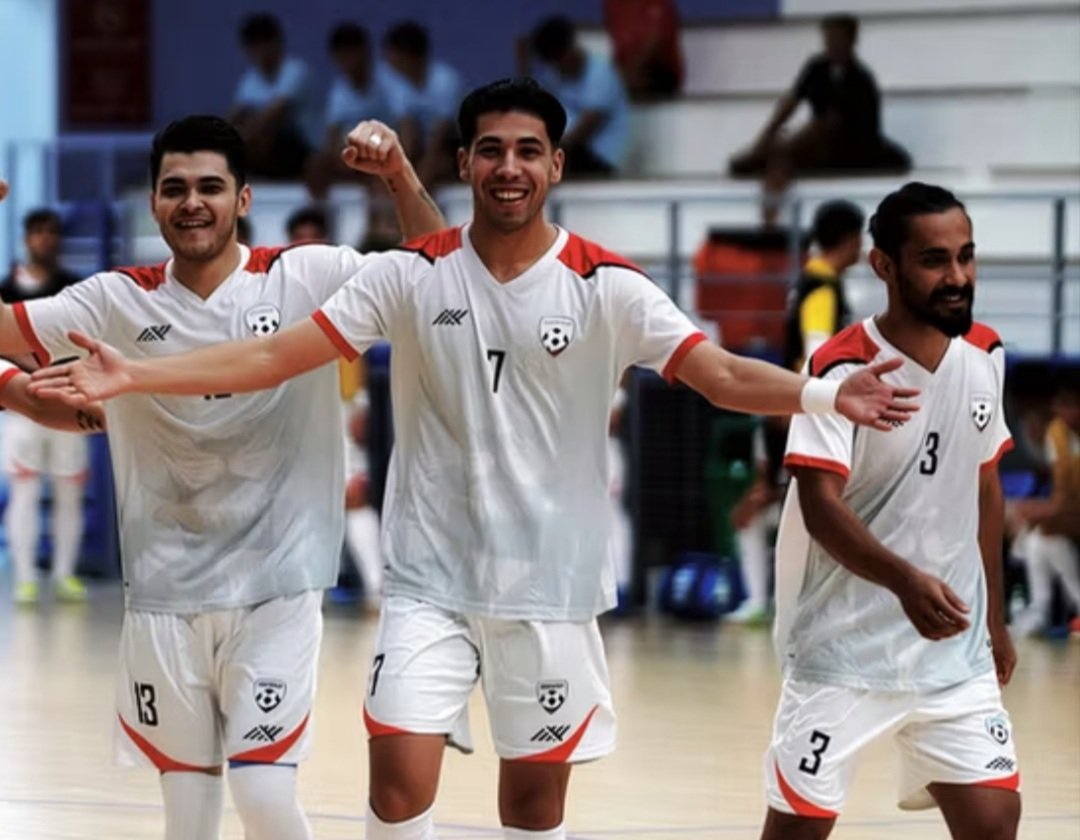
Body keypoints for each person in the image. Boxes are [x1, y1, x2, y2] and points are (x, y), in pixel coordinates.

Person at [31, 78, 917, 840]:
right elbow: (270, 355)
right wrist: (134, 374)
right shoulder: (410, 274)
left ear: (556, 166)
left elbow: (718, 374)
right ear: (464, 163)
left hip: (550, 592)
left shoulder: (606, 283)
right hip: (428, 587)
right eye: (490, 150)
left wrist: (823, 394)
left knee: (530, 807)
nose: (508, 167)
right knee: (396, 786)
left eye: (528, 151)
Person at [0, 116, 442, 840]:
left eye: (210, 187)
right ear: (153, 203)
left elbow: (432, 272)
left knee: (263, 790)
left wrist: (397, 175)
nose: (192, 202)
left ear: (243, 199)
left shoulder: (305, 275)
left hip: (278, 584)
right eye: (174, 189)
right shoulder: (115, 299)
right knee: (187, 816)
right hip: (164, 591)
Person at [763, 183, 1020, 840]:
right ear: (883, 265)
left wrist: (994, 620)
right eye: (935, 260)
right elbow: (819, 506)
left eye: (966, 256)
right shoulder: (840, 366)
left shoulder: (987, 353)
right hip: (844, 651)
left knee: (994, 823)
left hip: (952, 655)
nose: (957, 276)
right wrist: (905, 581)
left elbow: (985, 488)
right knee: (797, 833)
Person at [729, 15, 910, 223]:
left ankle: (766, 159)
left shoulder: (860, 79)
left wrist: (786, 145)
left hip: (851, 148)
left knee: (785, 151)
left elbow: (831, 124)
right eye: (829, 39)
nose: (832, 45)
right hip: (819, 144)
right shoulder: (817, 68)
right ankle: (768, 219)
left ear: (852, 40)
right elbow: (791, 102)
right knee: (778, 160)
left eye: (838, 39)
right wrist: (766, 136)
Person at [1, 208, 88, 604]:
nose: (45, 239)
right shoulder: (5, 289)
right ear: (26, 239)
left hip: (68, 400)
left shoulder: (74, 289)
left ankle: (65, 574)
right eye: (38, 231)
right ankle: (25, 577)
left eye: (52, 232)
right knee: (24, 490)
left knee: (70, 491)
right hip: (20, 407)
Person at [1009, 382, 1080, 635]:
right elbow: (1061, 496)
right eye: (1060, 405)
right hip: (1072, 509)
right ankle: (1040, 610)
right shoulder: (1059, 434)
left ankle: (1043, 608)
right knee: (1040, 537)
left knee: (1039, 528)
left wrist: (1033, 513)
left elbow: (1063, 503)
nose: (1064, 412)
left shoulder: (1060, 435)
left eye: (1070, 405)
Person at [306, 22, 403, 201]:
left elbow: (407, 127)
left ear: (365, 52)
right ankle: (320, 213)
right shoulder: (339, 91)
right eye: (341, 55)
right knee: (316, 166)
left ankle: (382, 216)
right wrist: (337, 158)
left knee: (381, 175)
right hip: (354, 157)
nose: (347, 61)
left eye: (351, 53)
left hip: (385, 155)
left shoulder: (389, 82)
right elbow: (332, 137)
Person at [526, 16, 631, 178]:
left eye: (558, 60)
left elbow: (583, 132)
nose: (557, 67)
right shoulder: (554, 76)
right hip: (571, 152)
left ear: (570, 49)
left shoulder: (601, 75)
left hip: (601, 158)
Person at [230, 13, 320, 179]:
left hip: (306, 149)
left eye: (265, 43)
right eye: (254, 45)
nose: (260, 51)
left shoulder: (296, 71)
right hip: (271, 149)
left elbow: (273, 115)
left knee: (265, 132)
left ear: (277, 43)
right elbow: (234, 116)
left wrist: (240, 138)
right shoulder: (250, 79)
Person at [382, 21, 464, 188]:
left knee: (439, 162)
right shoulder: (398, 86)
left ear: (406, 56)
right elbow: (407, 134)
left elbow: (439, 138)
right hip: (422, 146)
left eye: (392, 55)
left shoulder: (445, 81)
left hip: (452, 145)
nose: (388, 61)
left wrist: (418, 185)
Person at [603, 0, 684, 101]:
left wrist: (629, 74)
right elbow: (619, 46)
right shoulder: (612, 4)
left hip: (659, 74)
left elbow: (655, 42)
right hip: (628, 76)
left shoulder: (657, 4)